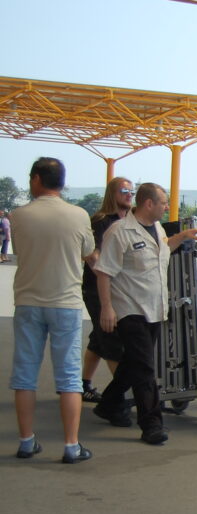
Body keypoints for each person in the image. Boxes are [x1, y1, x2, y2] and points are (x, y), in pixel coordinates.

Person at [92, 183, 197, 445]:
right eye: (164, 202)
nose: (167, 207)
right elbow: (103, 272)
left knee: (133, 363)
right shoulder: (119, 232)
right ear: (148, 204)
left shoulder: (155, 229)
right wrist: (107, 308)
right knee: (145, 368)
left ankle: (109, 404)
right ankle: (151, 424)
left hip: (154, 309)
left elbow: (164, 248)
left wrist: (185, 236)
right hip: (129, 309)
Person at [9, 157, 96, 463]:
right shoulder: (79, 215)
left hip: (29, 301)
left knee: (25, 375)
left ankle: (26, 441)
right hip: (66, 304)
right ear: (62, 181)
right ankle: (71, 445)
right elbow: (89, 253)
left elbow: (20, 250)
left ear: (36, 179)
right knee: (70, 377)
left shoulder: (18, 215)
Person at [80, 177, 133, 403]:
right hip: (98, 290)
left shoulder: (131, 221)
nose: (130, 194)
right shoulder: (101, 221)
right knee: (111, 341)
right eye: (124, 190)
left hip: (120, 290)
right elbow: (94, 256)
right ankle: (120, 397)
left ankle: (82, 385)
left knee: (98, 339)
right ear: (113, 193)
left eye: (132, 191)